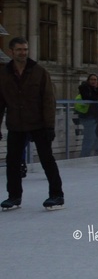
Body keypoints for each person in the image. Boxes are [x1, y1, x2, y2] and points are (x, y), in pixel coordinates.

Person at [0, 37, 64, 210]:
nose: (23, 53)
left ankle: (56, 194)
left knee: (46, 160)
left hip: (38, 123)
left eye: (25, 49)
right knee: (12, 161)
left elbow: (48, 101)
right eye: (19, 50)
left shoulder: (39, 72)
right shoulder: (4, 74)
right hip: (16, 124)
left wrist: (49, 126)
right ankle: (14, 196)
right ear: (11, 51)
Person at [74, 74, 98, 158]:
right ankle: (85, 155)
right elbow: (89, 99)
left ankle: (96, 154)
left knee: (97, 136)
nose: (93, 81)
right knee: (89, 137)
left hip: (96, 116)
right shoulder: (85, 90)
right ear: (88, 80)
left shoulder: (96, 90)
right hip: (88, 116)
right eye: (92, 79)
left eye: (95, 79)